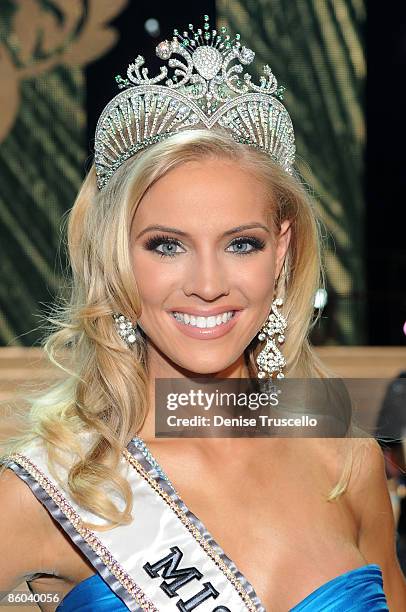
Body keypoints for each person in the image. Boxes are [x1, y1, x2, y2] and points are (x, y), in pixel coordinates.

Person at [0, 15, 404, 612]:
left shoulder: (348, 464)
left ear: (283, 251)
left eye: (242, 244)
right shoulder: (50, 490)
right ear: (117, 259)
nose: (209, 286)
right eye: (167, 245)